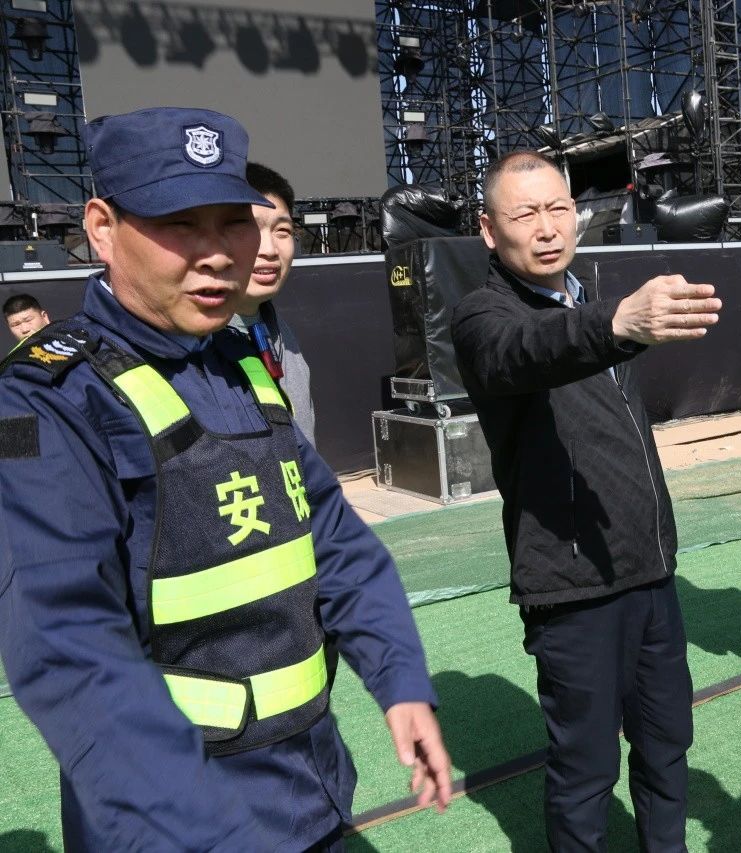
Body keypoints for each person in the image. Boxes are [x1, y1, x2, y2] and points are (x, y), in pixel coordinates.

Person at [0, 107, 451, 852]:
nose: (217, 255)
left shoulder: (239, 361)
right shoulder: (45, 399)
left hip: (309, 792)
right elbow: (67, 647)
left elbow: (335, 541)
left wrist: (400, 679)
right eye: (180, 225)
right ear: (102, 229)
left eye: (233, 223)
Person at [451, 150, 718, 851]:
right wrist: (615, 324)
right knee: (586, 772)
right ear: (489, 230)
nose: (546, 228)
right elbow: (524, 351)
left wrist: (610, 322)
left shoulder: (588, 301)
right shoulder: (485, 316)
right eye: (525, 214)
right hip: (572, 587)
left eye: (558, 209)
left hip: (650, 573)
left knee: (666, 745)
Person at [228, 161, 316, 445]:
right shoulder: (187, 350)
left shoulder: (280, 334)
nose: (269, 250)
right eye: (249, 229)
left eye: (282, 231)